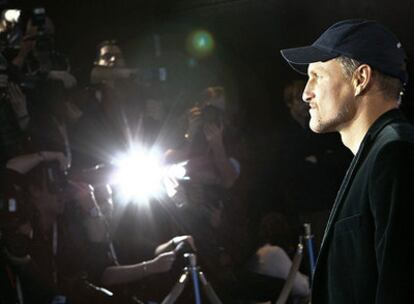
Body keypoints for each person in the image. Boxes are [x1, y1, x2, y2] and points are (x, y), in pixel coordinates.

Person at [280, 19, 412, 303]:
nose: (306, 93)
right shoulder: (378, 153)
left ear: (360, 78)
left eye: (318, 75)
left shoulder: (395, 154)